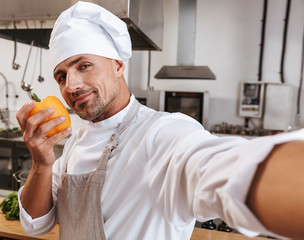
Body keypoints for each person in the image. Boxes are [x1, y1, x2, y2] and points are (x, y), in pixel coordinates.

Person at [16, 1, 304, 239]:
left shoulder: (163, 133)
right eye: (61, 76)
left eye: (84, 65)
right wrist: (42, 163)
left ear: (118, 65)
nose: (72, 85)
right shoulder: (74, 145)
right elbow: (36, 224)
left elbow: (221, 169)